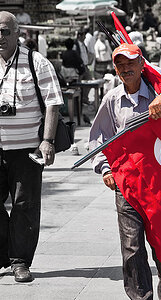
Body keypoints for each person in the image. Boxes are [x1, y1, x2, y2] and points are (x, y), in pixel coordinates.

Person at [89, 43, 161, 300]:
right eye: (120, 65)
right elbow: (97, 139)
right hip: (126, 182)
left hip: (160, 182)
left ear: (141, 64)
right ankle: (141, 297)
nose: (126, 69)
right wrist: (106, 170)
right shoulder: (112, 100)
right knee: (132, 246)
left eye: (130, 63)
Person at [0, 11, 63, 282]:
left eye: (4, 31)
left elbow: (53, 102)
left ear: (17, 33)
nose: (0, 37)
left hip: (27, 150)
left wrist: (47, 141)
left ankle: (20, 261)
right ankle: (4, 254)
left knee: (25, 205)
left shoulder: (36, 61)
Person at [73, 29, 92, 104]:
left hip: (85, 66)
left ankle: (85, 98)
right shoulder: (76, 45)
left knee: (89, 81)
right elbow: (75, 56)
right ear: (79, 36)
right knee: (79, 83)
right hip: (80, 67)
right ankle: (79, 100)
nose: (85, 37)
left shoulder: (83, 44)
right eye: (83, 35)